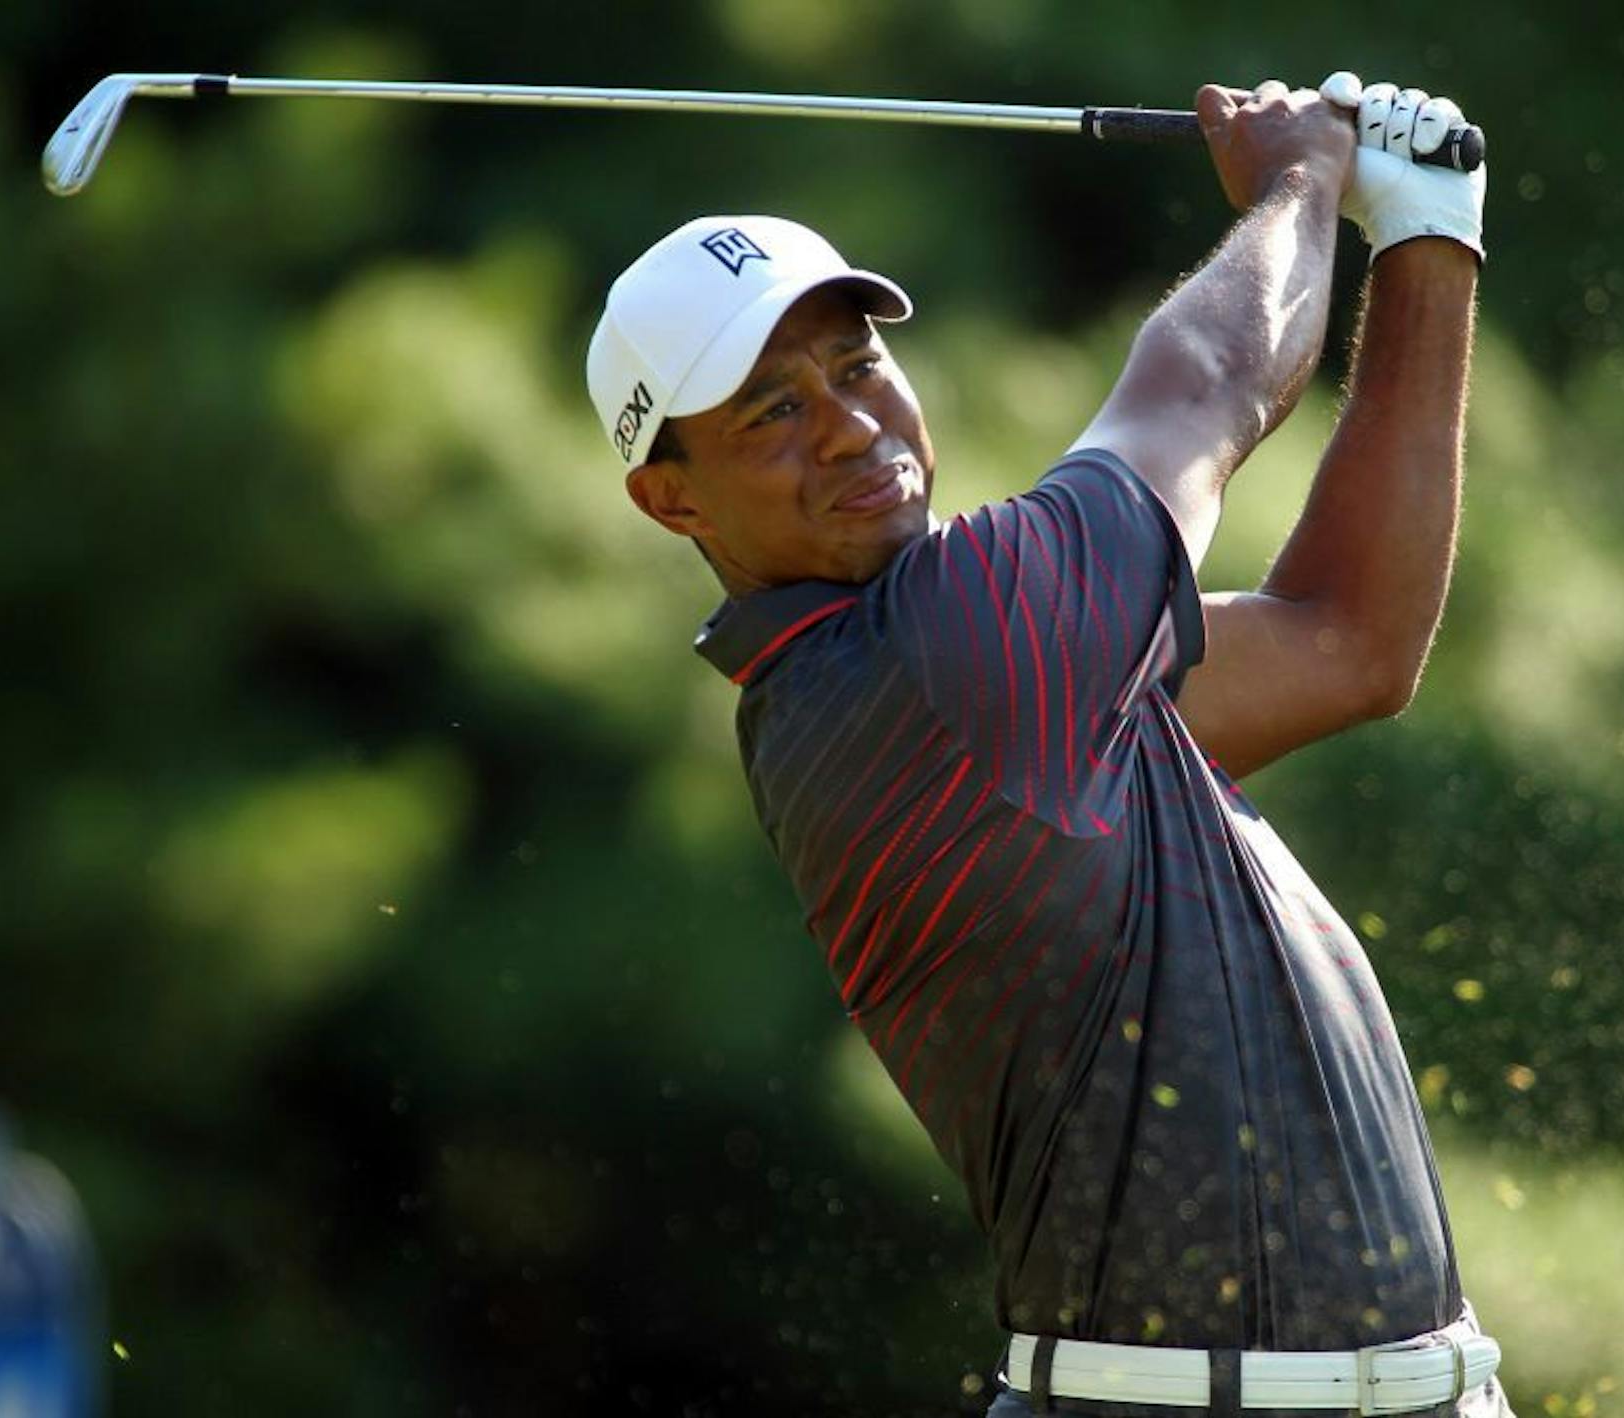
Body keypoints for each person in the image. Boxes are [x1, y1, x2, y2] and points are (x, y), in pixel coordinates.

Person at [585, 70, 1510, 1418]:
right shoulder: (944, 657)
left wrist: (1429, 241)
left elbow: (1348, 637)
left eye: (855, 366)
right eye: (771, 410)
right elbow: (1205, 381)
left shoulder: (1010, 689)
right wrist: (1304, 178)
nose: (848, 424)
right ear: (669, 496)